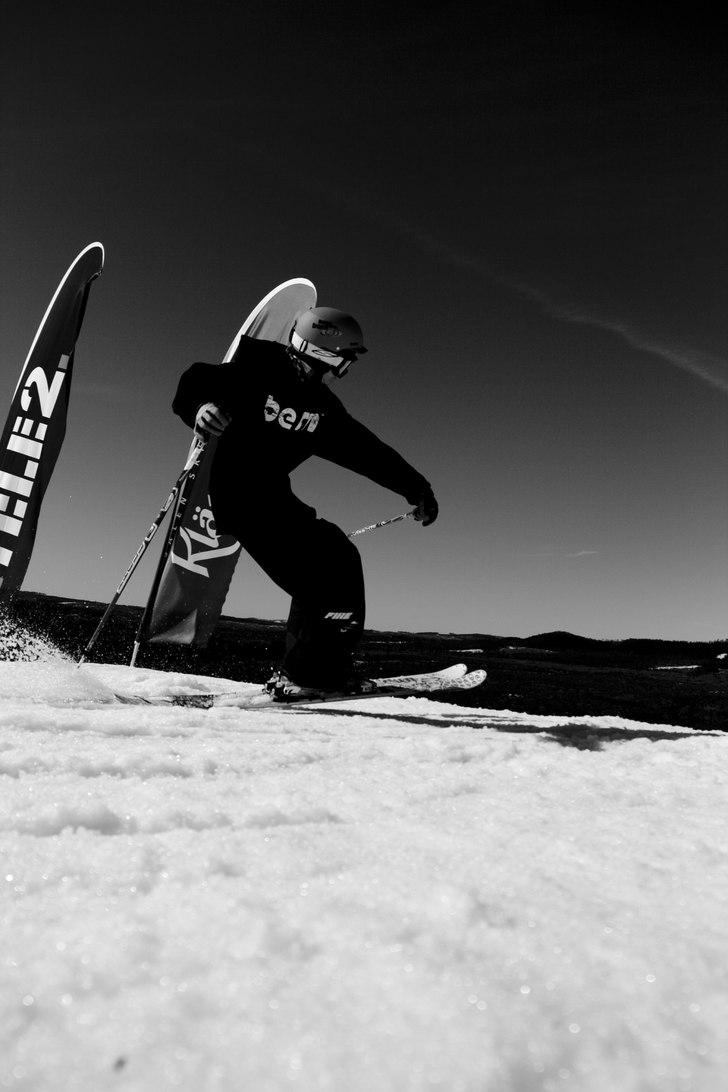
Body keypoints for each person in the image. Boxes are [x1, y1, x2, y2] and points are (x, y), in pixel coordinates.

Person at [172, 306, 438, 700]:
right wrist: (200, 407)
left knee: (335, 559)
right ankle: (311, 673)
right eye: (347, 356)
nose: (347, 365)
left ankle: (304, 669)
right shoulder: (256, 371)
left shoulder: (323, 408)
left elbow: (366, 451)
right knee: (328, 567)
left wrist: (417, 489)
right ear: (326, 351)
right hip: (242, 498)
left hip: (273, 497)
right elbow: (195, 380)